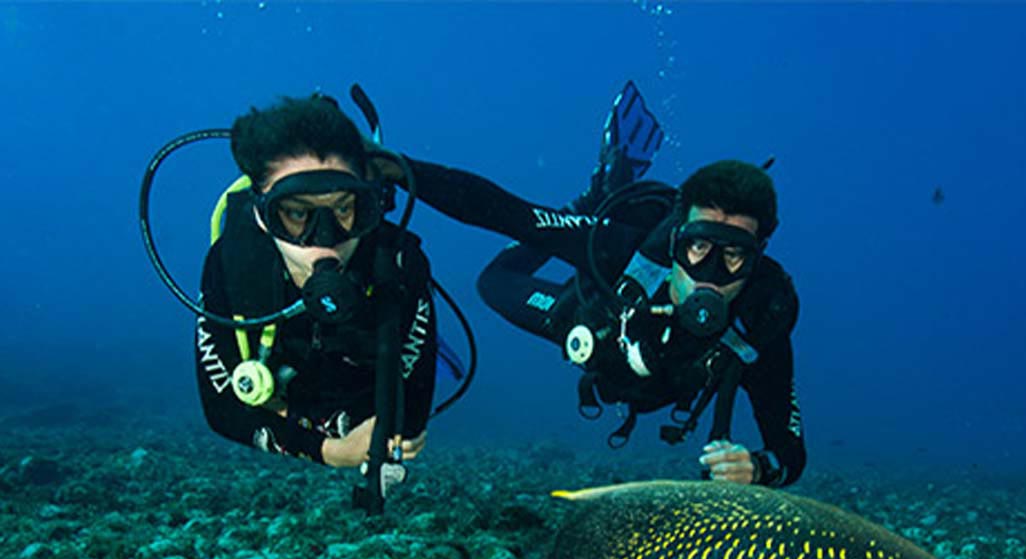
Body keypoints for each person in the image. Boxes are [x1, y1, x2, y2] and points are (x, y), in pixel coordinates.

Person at [390, 83, 805, 487]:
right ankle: (590, 200)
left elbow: (790, 449)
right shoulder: (622, 247)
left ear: (759, 253)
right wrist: (395, 167)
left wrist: (758, 467)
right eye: (699, 246)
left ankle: (605, 194)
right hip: (593, 320)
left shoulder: (760, 321)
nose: (711, 272)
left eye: (734, 254)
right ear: (677, 239)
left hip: (651, 379)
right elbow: (506, 213)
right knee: (493, 282)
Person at [194, 95, 437, 476]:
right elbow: (222, 409)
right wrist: (329, 450)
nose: (325, 240)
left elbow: (411, 415)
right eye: (295, 214)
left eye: (344, 209)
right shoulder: (232, 265)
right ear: (262, 215)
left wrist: (381, 432)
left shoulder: (398, 265)